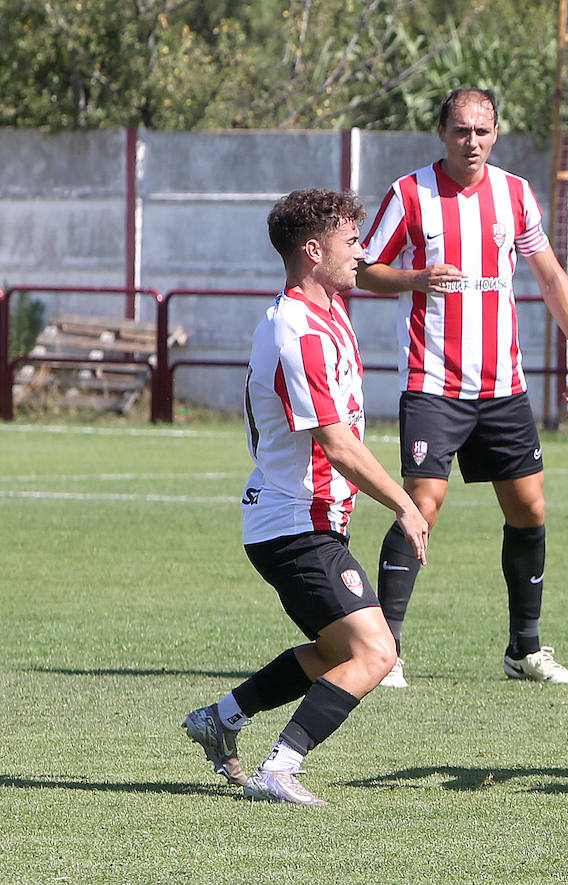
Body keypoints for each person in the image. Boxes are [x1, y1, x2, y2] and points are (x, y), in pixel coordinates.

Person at [183, 188, 430, 805]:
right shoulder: (298, 331)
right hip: (295, 526)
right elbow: (338, 445)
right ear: (314, 251)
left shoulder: (328, 311)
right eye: (352, 241)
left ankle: (221, 718)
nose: (363, 252)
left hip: (306, 520)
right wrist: (404, 504)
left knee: (334, 652)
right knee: (376, 652)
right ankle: (280, 769)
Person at [355, 87, 568, 688]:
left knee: (529, 507)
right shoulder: (410, 193)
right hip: (433, 381)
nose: (472, 142)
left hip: (503, 387)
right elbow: (364, 271)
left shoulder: (515, 193)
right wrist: (415, 277)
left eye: (482, 131)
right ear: (442, 132)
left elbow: (550, 276)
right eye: (461, 130)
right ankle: (385, 652)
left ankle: (525, 650)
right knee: (422, 504)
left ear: (495, 134)